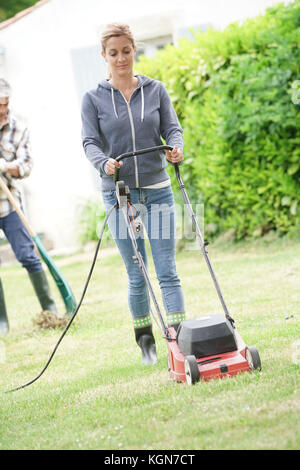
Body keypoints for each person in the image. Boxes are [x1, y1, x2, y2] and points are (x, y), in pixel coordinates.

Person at [81, 23, 186, 365]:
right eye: (114, 53)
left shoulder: (156, 90)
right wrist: (104, 163)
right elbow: (90, 142)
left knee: (167, 269)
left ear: (134, 51)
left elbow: (171, 127)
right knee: (137, 270)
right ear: (104, 56)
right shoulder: (93, 98)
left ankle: (180, 339)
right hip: (119, 195)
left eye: (126, 50)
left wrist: (176, 147)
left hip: (156, 190)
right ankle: (146, 343)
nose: (121, 58)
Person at [0, 78, 57, 331]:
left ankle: (50, 309)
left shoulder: (18, 126)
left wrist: (6, 166)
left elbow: (26, 165)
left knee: (27, 256)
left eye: (6, 103)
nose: (3, 109)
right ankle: (2, 322)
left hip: (9, 204)